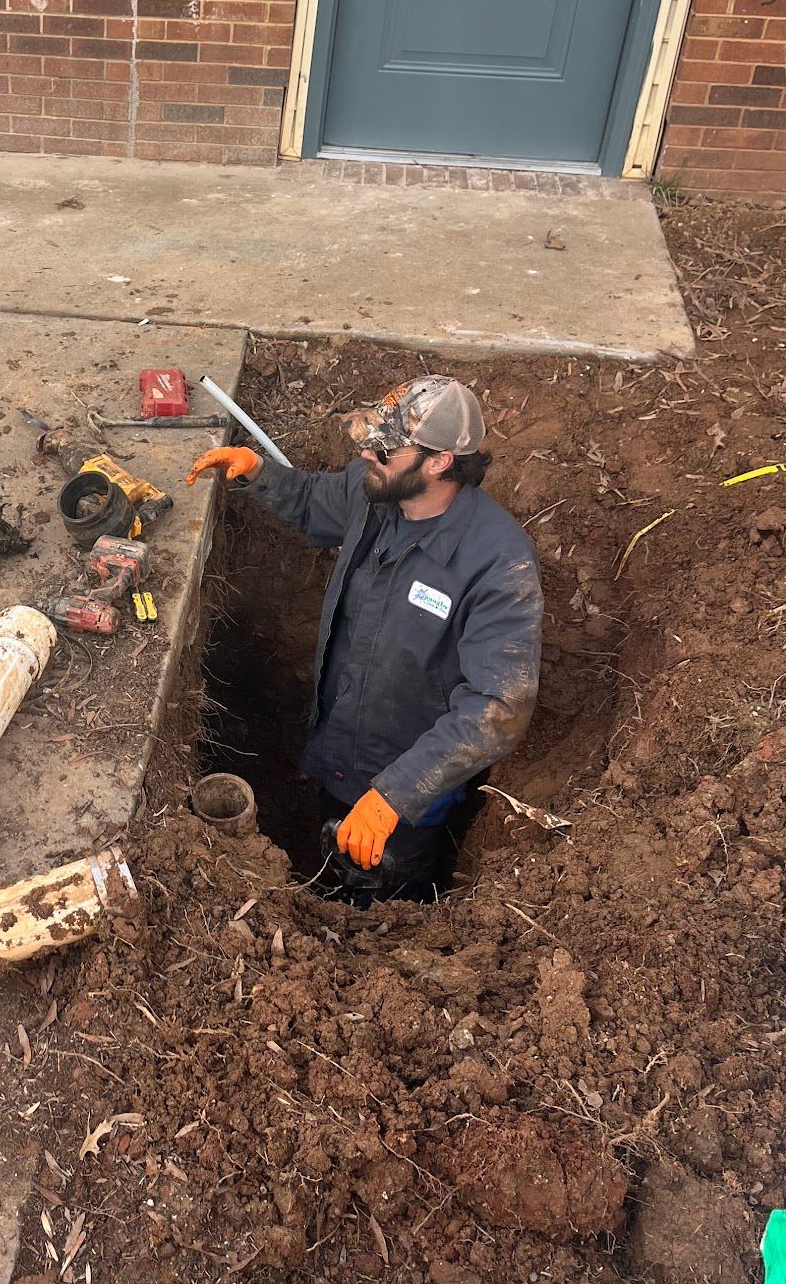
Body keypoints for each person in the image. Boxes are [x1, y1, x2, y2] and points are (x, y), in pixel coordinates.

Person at [186, 375, 543, 902]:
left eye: (384, 447)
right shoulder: (375, 491)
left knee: (384, 896)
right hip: (338, 749)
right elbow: (311, 500)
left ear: (440, 461)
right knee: (331, 865)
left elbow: (498, 705)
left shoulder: (498, 565)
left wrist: (393, 798)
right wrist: (257, 472)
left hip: (408, 797)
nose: (367, 453)